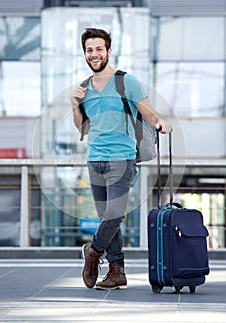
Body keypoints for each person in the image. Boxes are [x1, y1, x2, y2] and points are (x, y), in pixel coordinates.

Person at [70, 28, 172, 290]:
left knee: (115, 215)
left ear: (108, 51)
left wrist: (160, 121)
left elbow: (148, 112)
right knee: (107, 217)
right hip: (95, 160)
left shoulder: (127, 82)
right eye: (89, 50)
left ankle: (92, 251)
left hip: (122, 158)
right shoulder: (83, 89)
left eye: (99, 49)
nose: (94, 54)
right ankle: (117, 272)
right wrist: (74, 104)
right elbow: (82, 128)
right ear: (85, 53)